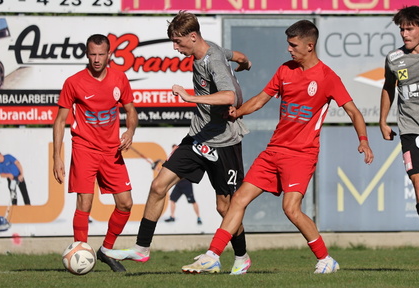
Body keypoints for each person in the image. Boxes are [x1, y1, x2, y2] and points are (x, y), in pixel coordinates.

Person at [181, 19, 374, 274]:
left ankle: (326, 259)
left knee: (291, 209)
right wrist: (237, 112)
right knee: (238, 199)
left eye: (293, 45)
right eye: (288, 44)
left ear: (309, 45)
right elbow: (261, 99)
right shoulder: (285, 70)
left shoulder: (328, 77)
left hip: (301, 154)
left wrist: (363, 141)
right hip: (274, 151)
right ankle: (212, 255)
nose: (289, 49)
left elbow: (354, 112)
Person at [105, 11, 252, 275]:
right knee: (158, 185)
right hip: (198, 138)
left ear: (193, 37)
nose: (175, 47)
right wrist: (246, 63)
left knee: (225, 207)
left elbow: (229, 95)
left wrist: (189, 97)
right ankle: (142, 248)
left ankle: (241, 256)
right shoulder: (211, 51)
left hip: (223, 143)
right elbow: (238, 56)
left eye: (178, 41)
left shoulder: (213, 59)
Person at [53, 34, 138, 273]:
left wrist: (130, 131)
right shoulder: (74, 82)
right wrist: (57, 157)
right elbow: (60, 121)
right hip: (84, 148)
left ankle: (106, 250)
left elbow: (131, 110)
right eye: (93, 54)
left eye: (101, 54)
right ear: (87, 54)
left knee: (125, 203)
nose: (97, 59)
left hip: (112, 150)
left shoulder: (119, 78)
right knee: (85, 201)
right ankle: (80, 254)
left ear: (109, 54)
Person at [380, 6, 419, 219]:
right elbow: (388, 87)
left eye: (410, 29)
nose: (405, 34)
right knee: (418, 183)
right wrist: (383, 121)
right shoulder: (394, 58)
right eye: (402, 29)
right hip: (410, 130)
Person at [164, 144, 202, 225]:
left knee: (192, 201)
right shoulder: (172, 159)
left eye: (175, 149)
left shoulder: (183, 158)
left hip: (186, 183)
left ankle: (199, 217)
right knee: (172, 199)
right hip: (178, 183)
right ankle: (172, 216)